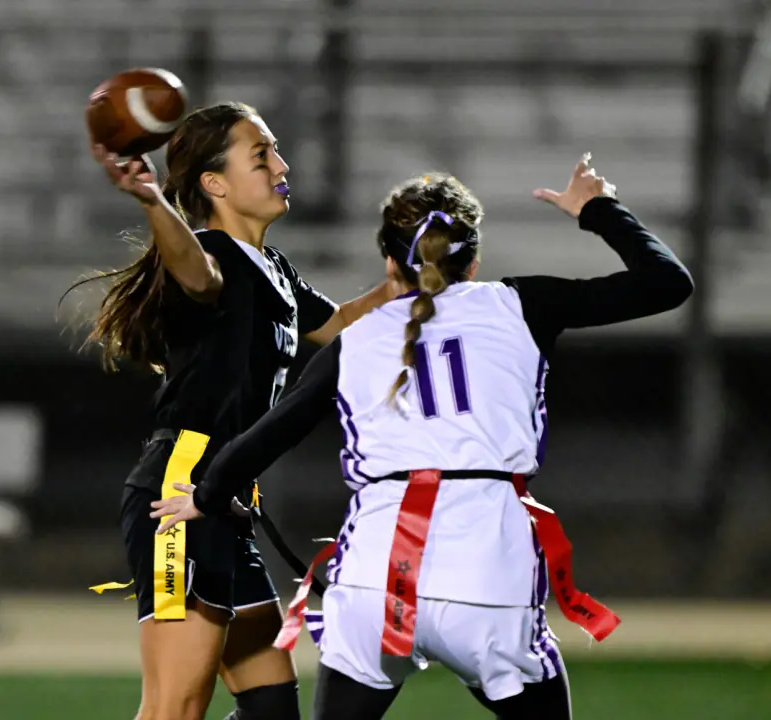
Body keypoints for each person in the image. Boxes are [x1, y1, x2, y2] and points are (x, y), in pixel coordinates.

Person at [149, 156, 694, 719]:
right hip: (485, 576)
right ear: (473, 261)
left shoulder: (357, 340)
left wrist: (208, 495)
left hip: (373, 582)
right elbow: (668, 283)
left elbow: (270, 434)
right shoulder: (520, 305)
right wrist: (597, 209)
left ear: (390, 261)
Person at [71, 102, 396, 720]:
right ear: (214, 184)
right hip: (179, 492)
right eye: (262, 155)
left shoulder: (275, 270)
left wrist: (409, 279)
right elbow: (197, 275)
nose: (282, 164)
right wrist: (149, 198)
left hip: (222, 499)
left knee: (271, 707)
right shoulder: (209, 253)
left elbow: (343, 326)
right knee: (176, 705)